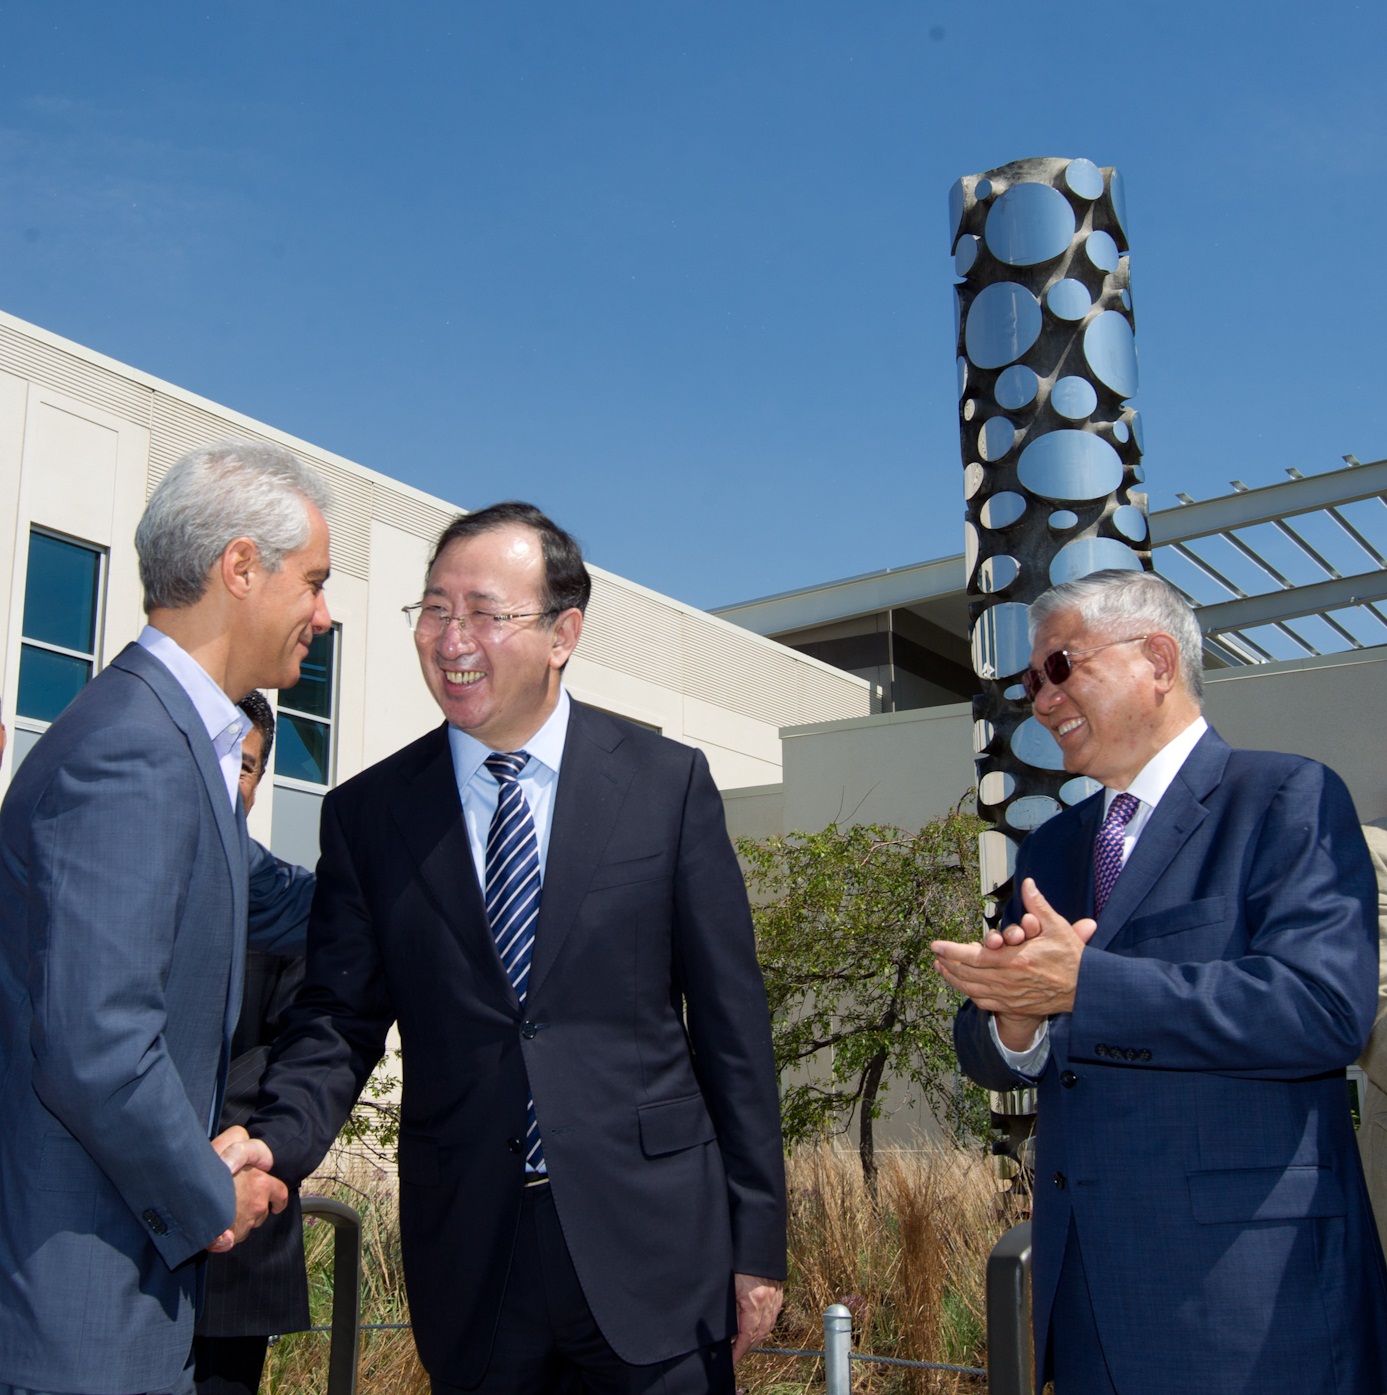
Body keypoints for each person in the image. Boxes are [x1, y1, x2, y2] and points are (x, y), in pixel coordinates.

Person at [250, 501, 786, 1394]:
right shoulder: (369, 816)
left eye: (486, 613)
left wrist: (757, 1242)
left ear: (561, 632)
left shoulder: (665, 786)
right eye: (434, 609)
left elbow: (733, 1027)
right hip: (472, 1255)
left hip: (654, 1249)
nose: (452, 637)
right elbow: (336, 1020)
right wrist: (275, 1143)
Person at [933, 569, 1387, 1395]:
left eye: (1060, 667)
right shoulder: (1050, 849)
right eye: (1030, 680)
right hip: (1083, 1309)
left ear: (1157, 658)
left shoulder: (1286, 796)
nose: (1038, 700)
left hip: (1249, 1304)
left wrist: (1085, 988)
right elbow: (989, 1041)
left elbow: (1323, 1011)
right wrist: (1013, 1025)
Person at [0, 440, 332, 1395]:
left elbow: (273, 906)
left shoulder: (174, 743)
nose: (324, 610)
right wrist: (208, 1189)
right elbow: (98, 1044)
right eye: (310, 580)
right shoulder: (137, 752)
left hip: (118, 1308)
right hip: (79, 1321)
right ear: (239, 567)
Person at [195, 691, 315, 1395]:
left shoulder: (295, 907)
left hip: (239, 1232)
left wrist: (215, 1150)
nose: (226, 779)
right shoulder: (117, 880)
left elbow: (295, 1053)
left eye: (243, 765)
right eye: (213, 758)